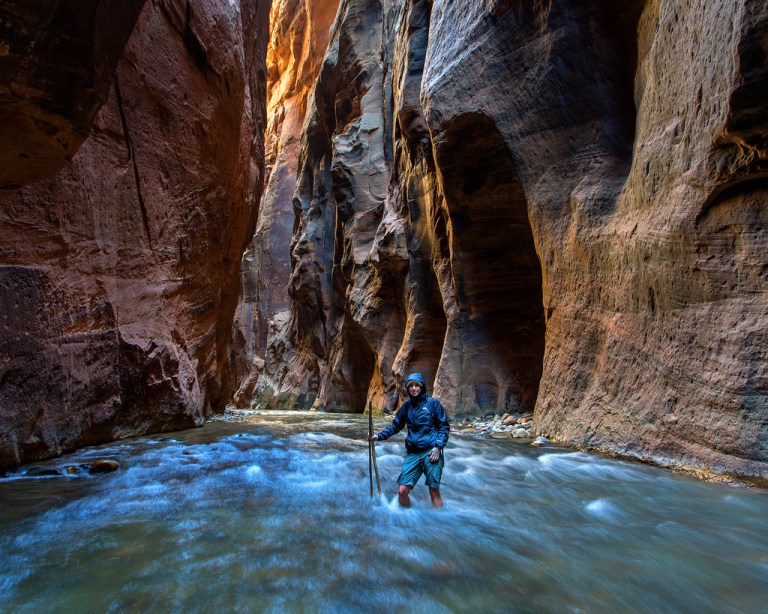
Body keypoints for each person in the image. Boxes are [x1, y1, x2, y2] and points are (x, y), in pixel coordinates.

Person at [369, 372, 450, 508]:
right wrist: (378, 436)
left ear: (422, 387)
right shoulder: (406, 406)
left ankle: (437, 523)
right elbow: (396, 426)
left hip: (431, 452)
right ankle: (409, 519)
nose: (413, 388)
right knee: (402, 491)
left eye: (416, 385)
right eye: (411, 386)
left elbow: (443, 427)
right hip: (413, 453)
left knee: (433, 490)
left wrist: (438, 447)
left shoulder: (433, 404)